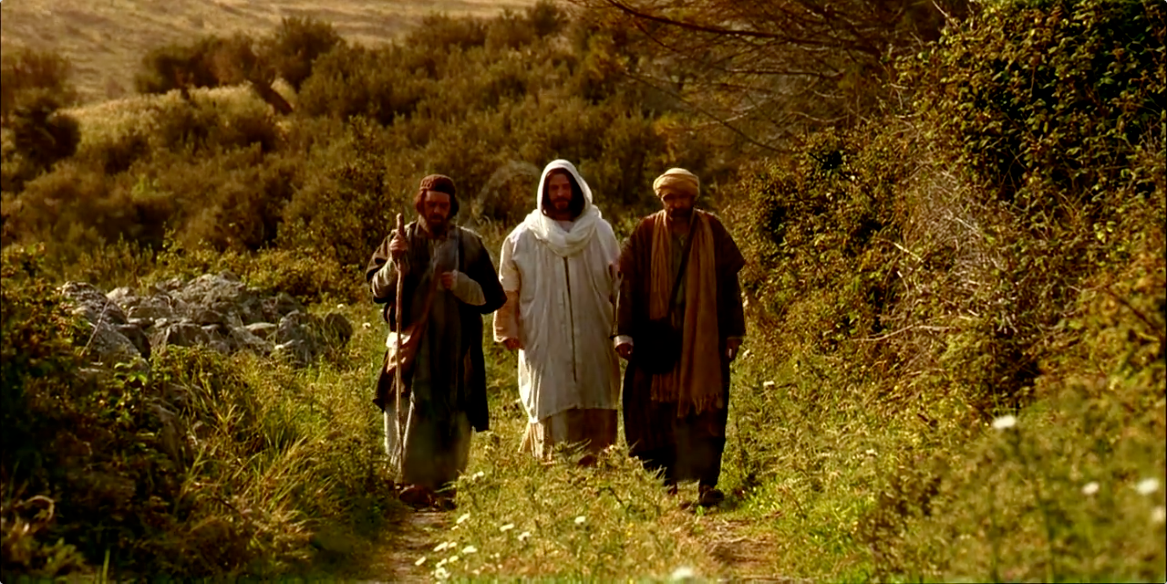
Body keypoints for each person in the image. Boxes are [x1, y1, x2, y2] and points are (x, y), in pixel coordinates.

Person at [366, 174, 506, 509]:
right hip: (410, 349)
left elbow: (491, 298)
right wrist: (394, 264)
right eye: (432, 205)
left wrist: (460, 284)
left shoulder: (470, 244)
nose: (437, 211)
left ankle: (446, 490)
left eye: (443, 205)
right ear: (421, 204)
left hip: (458, 352)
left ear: (451, 207)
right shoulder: (399, 240)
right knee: (406, 411)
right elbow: (376, 290)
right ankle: (407, 486)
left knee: (455, 416)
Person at [614, 167, 746, 507]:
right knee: (654, 409)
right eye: (669, 198)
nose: (676, 204)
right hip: (659, 339)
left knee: (707, 410)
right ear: (662, 199)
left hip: (705, 335)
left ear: (693, 197)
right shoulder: (646, 231)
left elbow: (729, 285)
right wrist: (624, 333)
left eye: (682, 197)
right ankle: (666, 485)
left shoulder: (713, 229)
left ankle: (706, 484)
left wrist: (733, 333)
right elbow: (629, 285)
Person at [494, 160, 621, 462]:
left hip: (594, 331)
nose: (560, 194)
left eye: (565, 187)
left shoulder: (600, 232)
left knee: (595, 390)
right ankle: (555, 464)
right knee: (552, 394)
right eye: (554, 188)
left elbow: (618, 284)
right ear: (545, 192)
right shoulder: (524, 237)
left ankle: (598, 462)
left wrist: (622, 330)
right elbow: (508, 288)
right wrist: (507, 329)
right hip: (544, 334)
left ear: (576, 189)